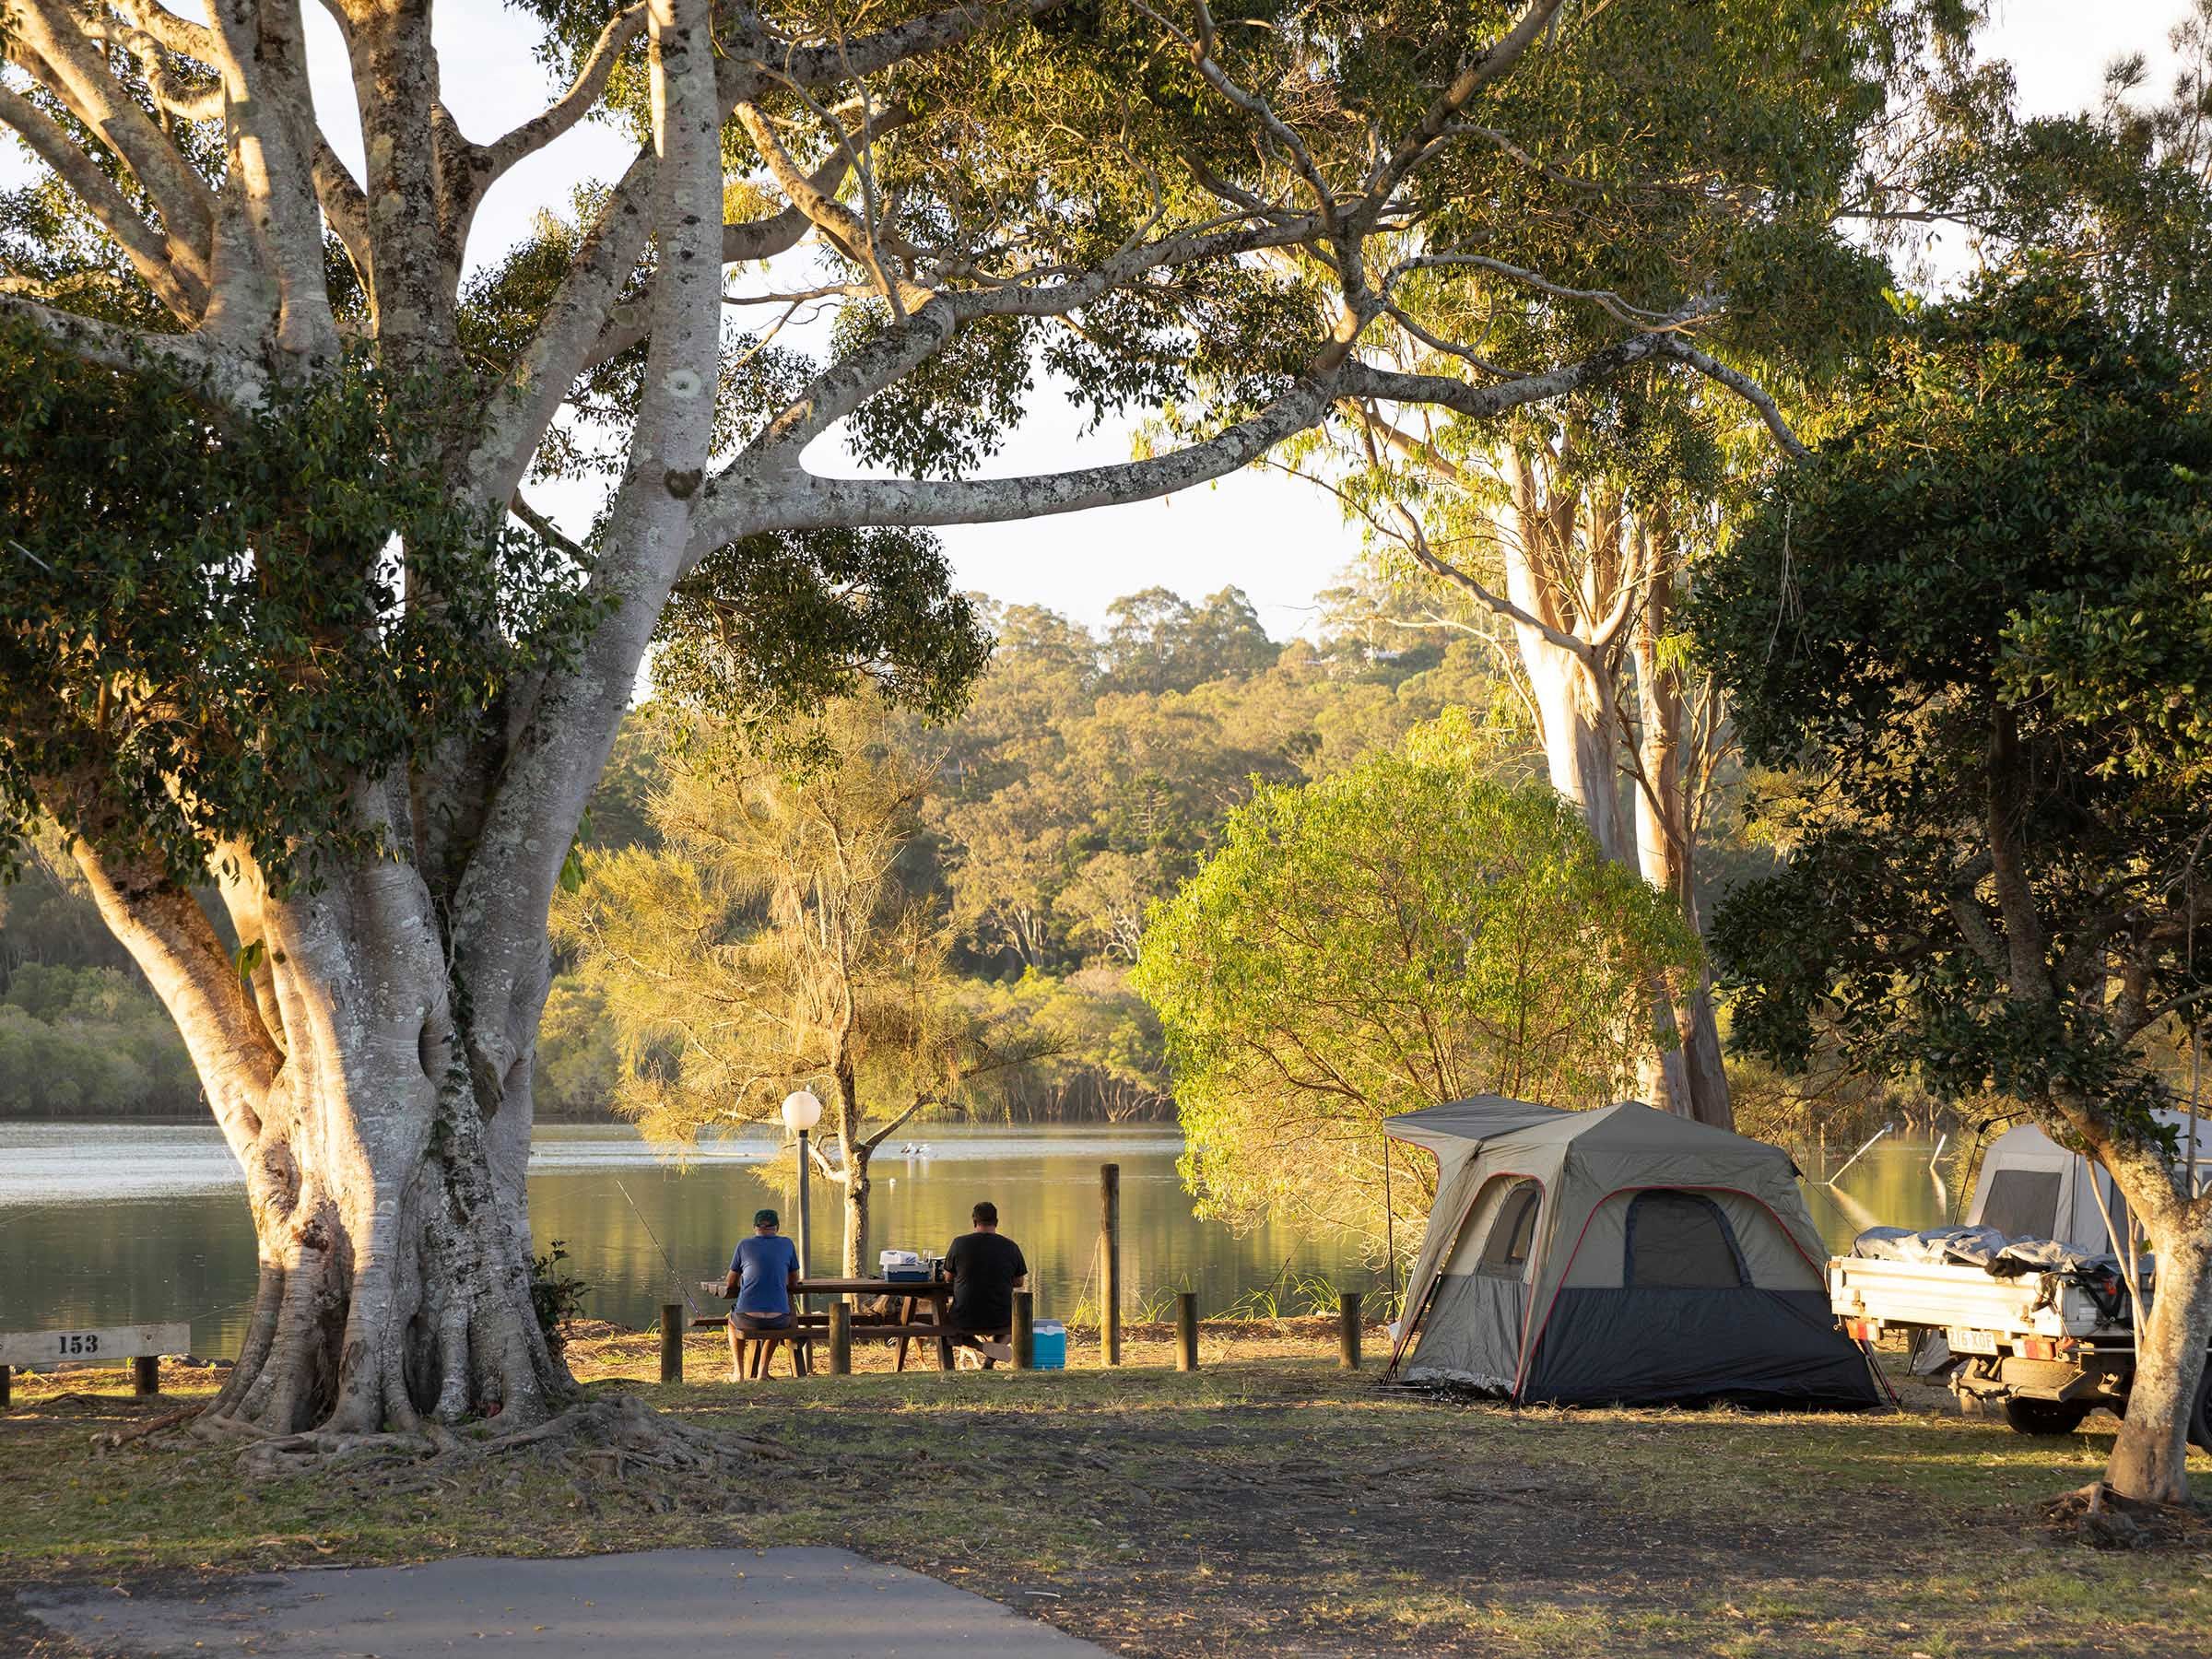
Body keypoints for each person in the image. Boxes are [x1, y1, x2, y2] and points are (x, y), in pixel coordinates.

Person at [941, 1200, 1028, 1366]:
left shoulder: (959, 1243)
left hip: (965, 1317)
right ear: (996, 1222)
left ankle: (981, 1347)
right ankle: (990, 1357)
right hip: (1000, 1316)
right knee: (1015, 1324)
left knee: (947, 1326)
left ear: (974, 1222)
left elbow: (948, 1278)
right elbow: (1019, 1281)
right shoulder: (1010, 1247)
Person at [722, 1207, 802, 1380]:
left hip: (748, 1319)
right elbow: (794, 1281)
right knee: (775, 1322)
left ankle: (739, 1372)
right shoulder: (787, 1244)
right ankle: (763, 1372)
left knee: (732, 1321)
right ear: (777, 1227)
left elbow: (729, 1282)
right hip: (779, 1319)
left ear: (755, 1227)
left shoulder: (744, 1245)